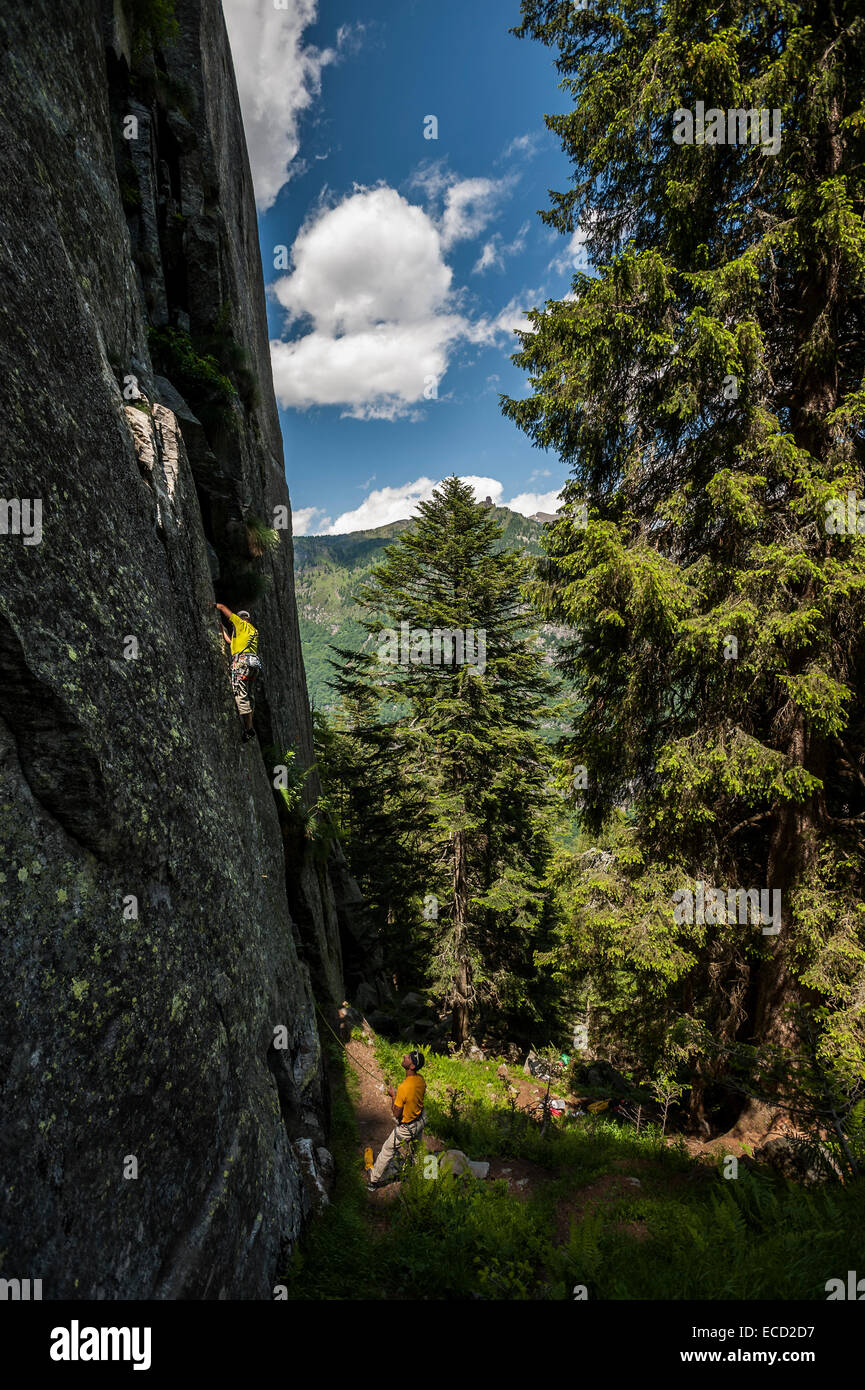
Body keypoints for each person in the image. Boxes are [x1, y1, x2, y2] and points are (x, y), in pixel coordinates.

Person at [368, 1050, 426, 1189]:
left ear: (411, 1066)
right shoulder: (420, 1080)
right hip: (420, 1121)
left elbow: (396, 1114)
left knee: (387, 1149)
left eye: (408, 1057)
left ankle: (373, 1180)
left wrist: (393, 1096)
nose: (405, 1056)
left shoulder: (404, 1088)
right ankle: (421, 1177)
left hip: (407, 1127)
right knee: (416, 1149)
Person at [215, 603, 262, 742]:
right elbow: (231, 643)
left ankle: (248, 729)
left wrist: (214, 605)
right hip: (253, 666)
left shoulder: (241, 624)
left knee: (240, 695)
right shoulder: (253, 631)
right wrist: (223, 631)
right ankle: (249, 724)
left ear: (242, 619)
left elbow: (224, 608)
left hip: (241, 664)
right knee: (249, 696)